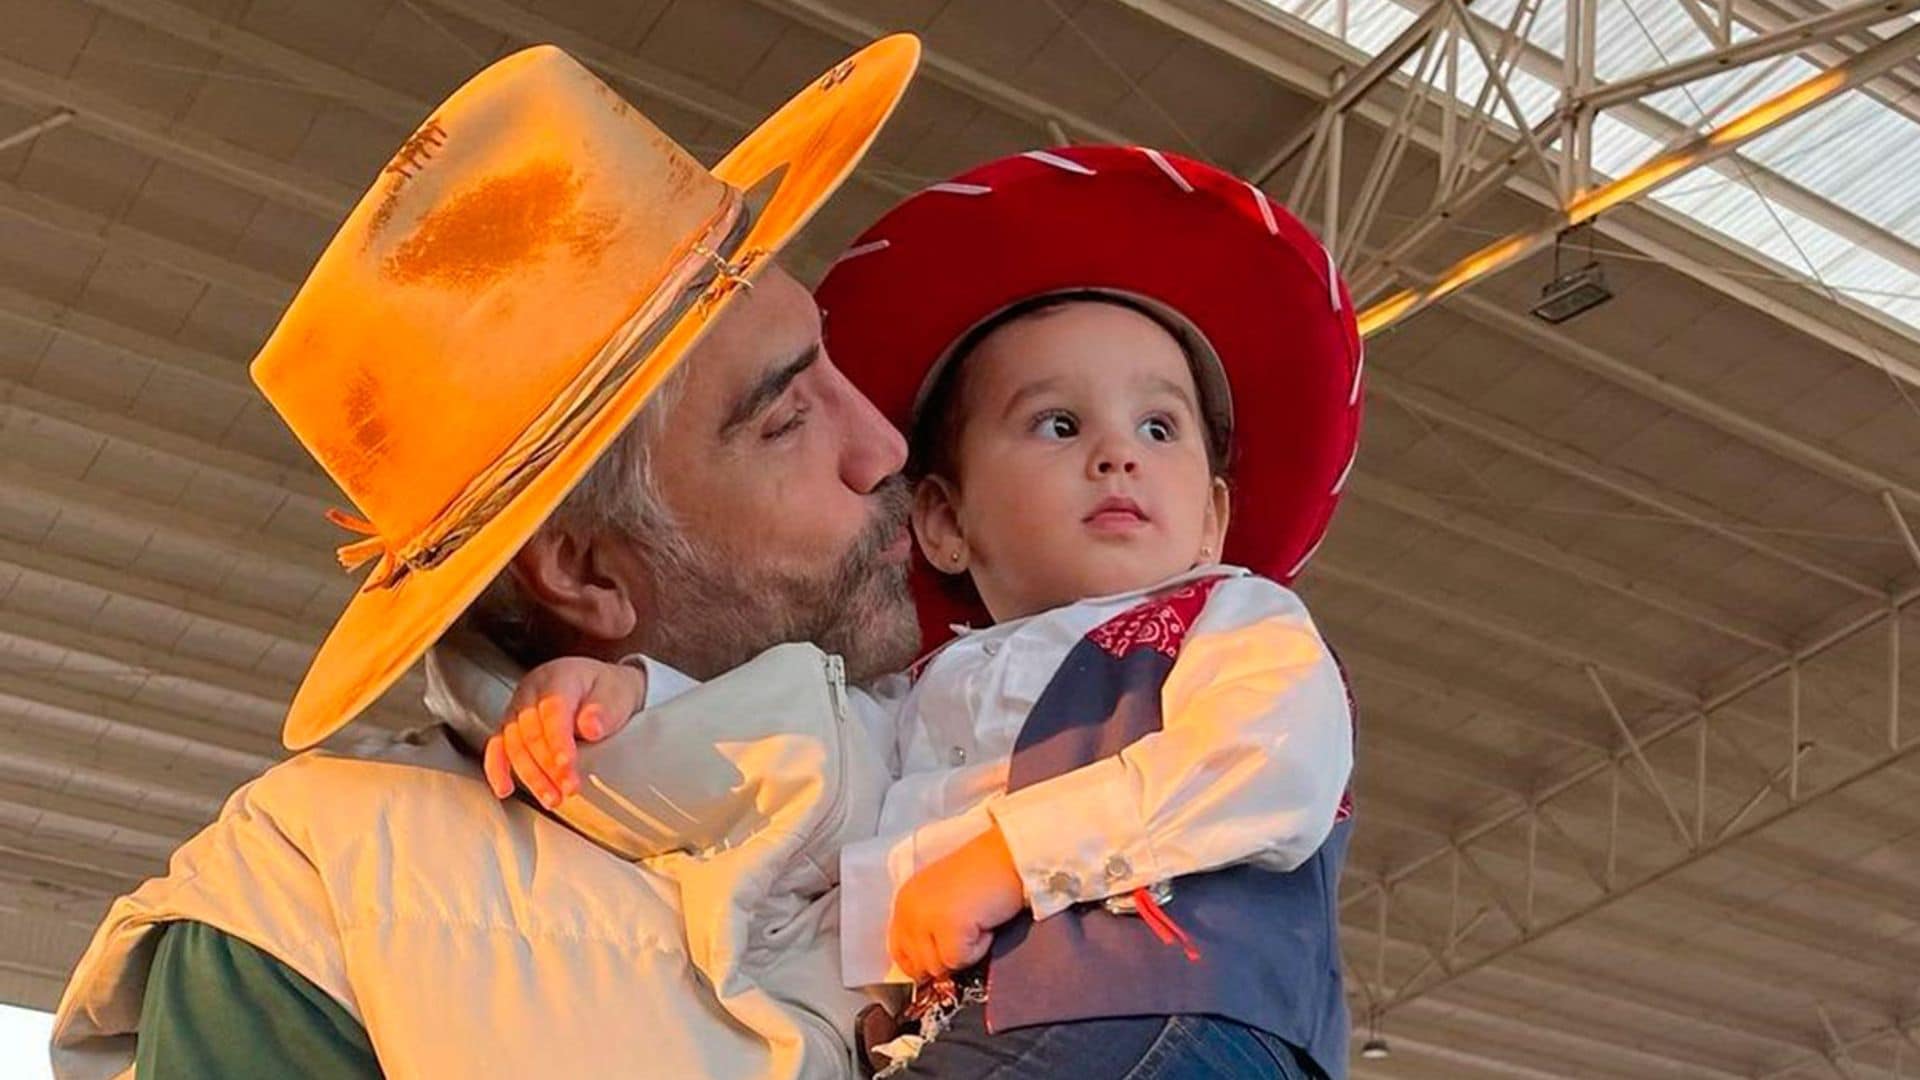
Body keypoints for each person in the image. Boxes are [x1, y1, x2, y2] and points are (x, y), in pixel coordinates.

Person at [50, 36, 930, 1079]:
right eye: (787, 420)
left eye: (828, 357)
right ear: (585, 573)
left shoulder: (1013, 733)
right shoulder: (313, 894)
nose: (883, 447)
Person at [480, 146, 1366, 1079]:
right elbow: (800, 748)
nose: (1118, 453)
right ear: (942, 522)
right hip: (989, 1036)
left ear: (1213, 521)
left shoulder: (1235, 623)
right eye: (1058, 425)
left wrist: (1011, 857)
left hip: (1165, 1010)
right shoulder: (924, 696)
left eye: (1159, 427)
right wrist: (630, 698)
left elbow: (1273, 769)